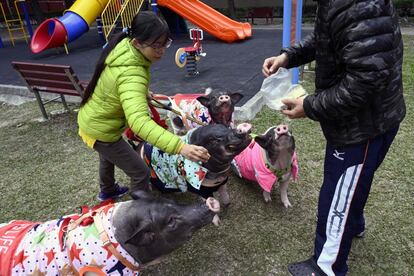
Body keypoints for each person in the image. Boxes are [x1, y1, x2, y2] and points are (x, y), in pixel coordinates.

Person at [262, 1, 405, 275]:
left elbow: (364, 82)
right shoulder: (340, 5)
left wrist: (310, 106)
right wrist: (288, 57)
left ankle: (326, 266)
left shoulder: (360, 6)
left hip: (362, 127)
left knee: (338, 192)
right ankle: (353, 226)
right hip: (370, 120)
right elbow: (326, 38)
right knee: (353, 185)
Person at [78, 11, 210, 201]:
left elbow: (118, 85)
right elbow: (139, 121)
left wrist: (141, 94)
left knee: (107, 156)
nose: (162, 50)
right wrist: (180, 146)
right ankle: (142, 213)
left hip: (93, 120)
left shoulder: (124, 48)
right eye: (156, 45)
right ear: (137, 43)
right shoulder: (132, 74)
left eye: (165, 43)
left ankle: (107, 190)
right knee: (140, 172)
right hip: (102, 128)